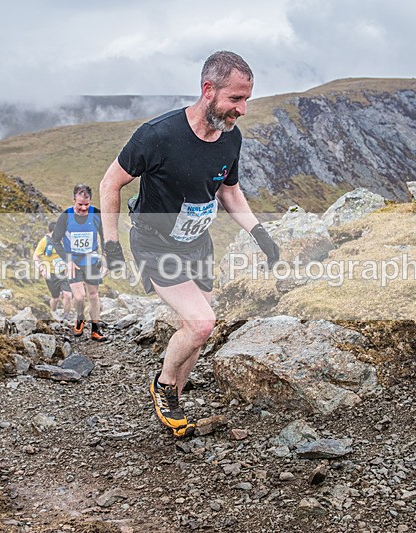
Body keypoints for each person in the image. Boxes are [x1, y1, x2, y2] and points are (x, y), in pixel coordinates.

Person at [99, 51, 279, 437]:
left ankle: (172, 408)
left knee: (194, 328)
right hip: (154, 243)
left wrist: (259, 232)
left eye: (247, 99)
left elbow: (229, 191)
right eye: (235, 99)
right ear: (208, 89)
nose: (242, 109)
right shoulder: (158, 135)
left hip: (196, 244)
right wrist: (111, 245)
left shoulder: (231, 138)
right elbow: (110, 183)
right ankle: (163, 386)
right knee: (202, 323)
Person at [49, 184, 109, 342]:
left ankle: (95, 329)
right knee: (80, 297)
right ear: (73, 200)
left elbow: (105, 238)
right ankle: (80, 317)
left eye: (86, 205)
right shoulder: (65, 216)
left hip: (91, 261)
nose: (83, 208)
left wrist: (105, 258)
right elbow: (55, 241)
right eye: (80, 204)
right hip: (73, 263)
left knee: (94, 295)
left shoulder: (96, 214)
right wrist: (67, 260)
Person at [33, 222, 72, 319]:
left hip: (63, 272)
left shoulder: (64, 240)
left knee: (67, 295)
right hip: (50, 273)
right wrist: (41, 269)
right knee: (55, 298)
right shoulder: (44, 241)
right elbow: (36, 256)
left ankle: (66, 317)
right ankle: (53, 313)